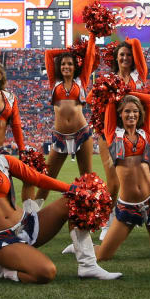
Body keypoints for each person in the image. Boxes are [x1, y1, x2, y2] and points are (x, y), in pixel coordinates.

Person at [0, 118, 120, 283]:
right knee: (46, 272)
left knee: (75, 200)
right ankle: (4, 271)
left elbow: (37, 179)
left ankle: (88, 265)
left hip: (28, 224)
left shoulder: (2, 161)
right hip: (1, 241)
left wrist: (72, 188)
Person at [103, 37, 150, 241]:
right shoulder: (109, 80)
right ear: (116, 59)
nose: (125, 57)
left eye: (128, 54)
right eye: (121, 55)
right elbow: (101, 103)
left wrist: (131, 41)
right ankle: (106, 226)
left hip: (137, 133)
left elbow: (149, 100)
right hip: (115, 135)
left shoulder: (139, 75)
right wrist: (116, 96)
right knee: (113, 184)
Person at [95, 93, 150, 261]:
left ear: (140, 114)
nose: (131, 115)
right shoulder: (113, 135)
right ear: (120, 114)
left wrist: (129, 93)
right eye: (127, 111)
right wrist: (119, 93)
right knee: (103, 256)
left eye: (135, 111)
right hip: (128, 206)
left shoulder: (146, 133)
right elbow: (110, 101)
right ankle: (84, 247)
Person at [38, 38, 99, 198]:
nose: (66, 66)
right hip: (60, 136)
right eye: (63, 63)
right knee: (47, 178)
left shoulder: (82, 81)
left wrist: (92, 36)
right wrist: (71, 52)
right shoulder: (54, 83)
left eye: (70, 64)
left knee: (87, 178)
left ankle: (91, 215)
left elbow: (90, 55)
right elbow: (49, 54)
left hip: (82, 134)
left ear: (76, 66)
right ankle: (33, 215)